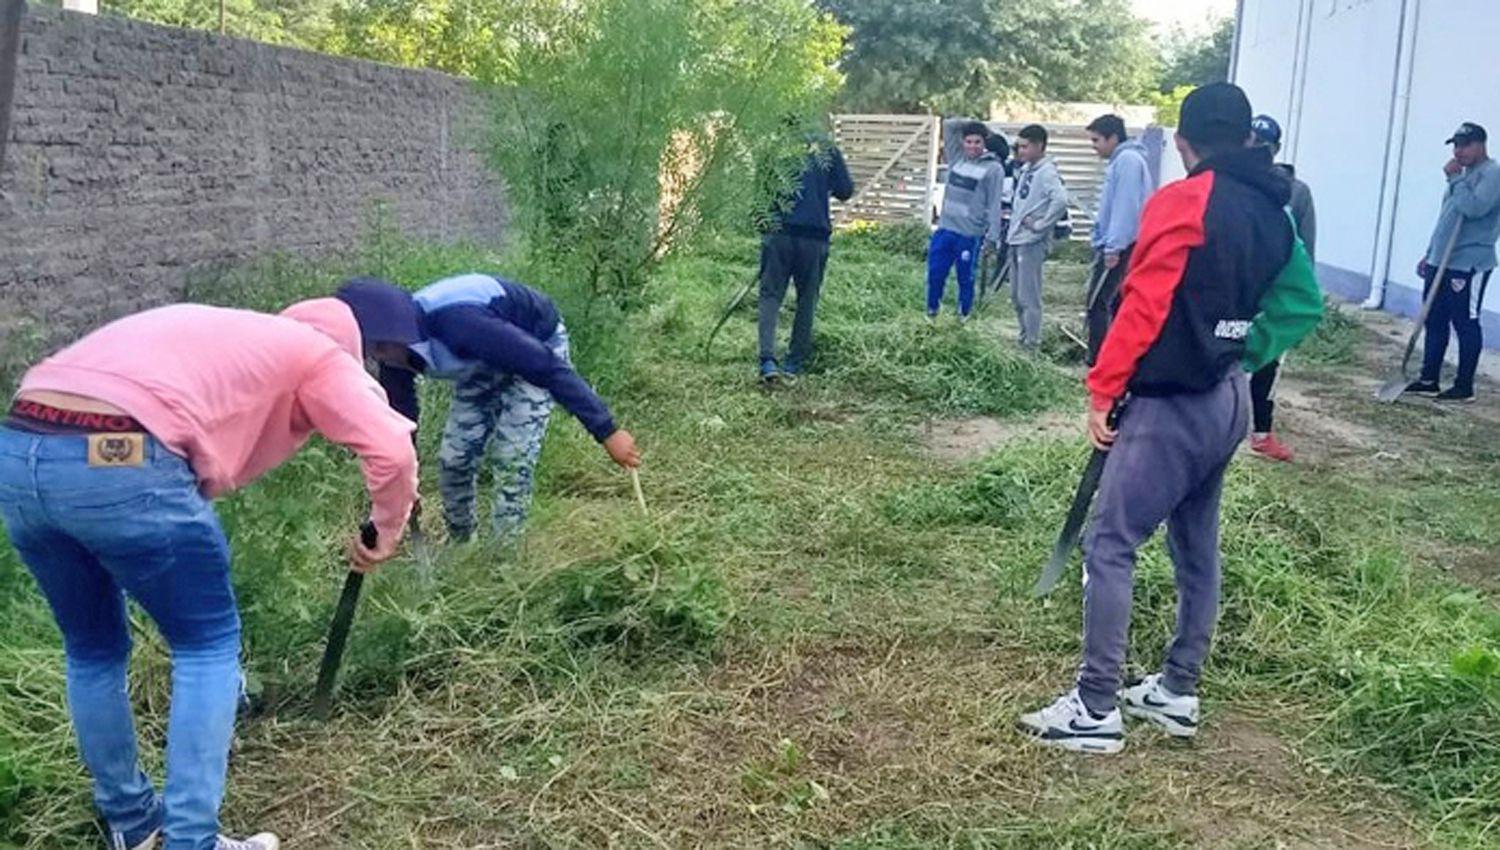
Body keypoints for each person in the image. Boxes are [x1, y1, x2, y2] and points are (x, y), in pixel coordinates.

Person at [0, 299, 420, 849]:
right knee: (207, 646)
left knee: (92, 648)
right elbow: (391, 447)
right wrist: (385, 533)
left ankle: (133, 826)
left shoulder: (226, 335)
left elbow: (143, 440)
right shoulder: (318, 355)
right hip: (121, 453)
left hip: (23, 444)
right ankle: (190, 841)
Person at [1016, 83, 1323, 754]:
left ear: (1184, 143)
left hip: (1170, 404)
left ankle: (1095, 708)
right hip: (1229, 401)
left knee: (1111, 543)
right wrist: (1241, 352)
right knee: (1195, 546)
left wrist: (1103, 389)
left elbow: (1144, 305)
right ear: (1246, 139)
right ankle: (1177, 689)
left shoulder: (1183, 200)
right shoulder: (1278, 214)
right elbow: (1303, 304)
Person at [335, 276, 640, 544]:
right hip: (480, 362)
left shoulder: (460, 324)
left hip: (533, 344)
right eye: (372, 352)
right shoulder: (393, 355)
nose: (380, 357)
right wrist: (404, 484)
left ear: (397, 331)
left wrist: (607, 431)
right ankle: (462, 543)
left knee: (512, 457)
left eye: (382, 349)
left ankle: (504, 557)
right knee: (454, 458)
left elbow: (544, 367)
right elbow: (402, 419)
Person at [1406, 122, 1500, 403]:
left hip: (1468, 263)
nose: (1459, 151)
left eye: (1465, 145)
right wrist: (1430, 252)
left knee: (1465, 322)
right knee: (1434, 319)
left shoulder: (1491, 174)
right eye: (1456, 146)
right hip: (1441, 259)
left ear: (1481, 144)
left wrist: (1455, 180)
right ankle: (1429, 378)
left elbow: (1474, 208)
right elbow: (1447, 217)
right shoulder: (1462, 176)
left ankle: (1463, 386)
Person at [1247, 114, 1319, 461]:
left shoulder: (1296, 192)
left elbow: (1306, 246)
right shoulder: (1235, 183)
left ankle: (1261, 432)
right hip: (1238, 287)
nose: (1256, 148)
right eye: (1251, 140)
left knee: (1268, 360)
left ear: (1275, 149)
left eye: (1264, 144)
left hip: (1272, 290)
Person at [756, 131, 855, 382]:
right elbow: (845, 190)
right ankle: (794, 362)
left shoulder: (775, 145)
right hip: (814, 236)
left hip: (779, 233)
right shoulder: (826, 148)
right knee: (806, 300)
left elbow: (760, 193)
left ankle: (767, 360)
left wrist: (765, 231)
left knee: (770, 295)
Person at [1084, 114, 1154, 365]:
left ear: (1113, 137)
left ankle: (1101, 361)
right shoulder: (1121, 160)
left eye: (1096, 140)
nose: (1094, 147)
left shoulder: (1128, 161)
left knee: (1099, 303)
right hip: (1117, 243)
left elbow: (1126, 208)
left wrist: (1114, 247)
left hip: (1122, 246)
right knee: (1106, 302)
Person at [928, 119, 1006, 323]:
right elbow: (951, 125)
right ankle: (931, 313)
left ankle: (963, 317)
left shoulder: (993, 168)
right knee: (935, 274)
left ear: (984, 144)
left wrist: (993, 237)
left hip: (969, 234)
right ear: (963, 142)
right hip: (945, 229)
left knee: (966, 278)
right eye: (969, 141)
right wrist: (977, 123)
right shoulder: (957, 159)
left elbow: (995, 204)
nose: (972, 146)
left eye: (977, 142)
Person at [1005, 124, 1070, 352]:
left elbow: (1061, 200)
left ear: (1039, 146)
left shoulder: (1047, 172)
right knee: (1014, 295)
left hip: (1031, 242)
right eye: (1019, 146)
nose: (1020, 151)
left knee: (1028, 296)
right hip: (1016, 239)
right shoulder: (1026, 170)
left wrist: (1041, 225)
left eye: (1024, 146)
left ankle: (1032, 343)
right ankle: (1023, 336)